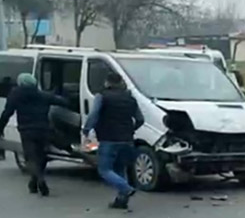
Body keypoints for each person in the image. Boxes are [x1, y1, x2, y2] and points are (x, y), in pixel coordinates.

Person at [0, 73, 71, 196]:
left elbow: (7, 113)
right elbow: (63, 102)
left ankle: (39, 179)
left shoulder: (15, 95)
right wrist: (64, 95)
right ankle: (34, 182)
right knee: (41, 156)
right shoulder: (42, 95)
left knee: (31, 158)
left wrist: (0, 128)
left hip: (26, 131)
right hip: (44, 130)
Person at [83, 72, 145, 210]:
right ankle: (121, 200)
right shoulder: (130, 98)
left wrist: (86, 129)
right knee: (120, 168)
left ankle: (126, 188)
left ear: (107, 82)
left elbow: (94, 114)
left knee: (104, 170)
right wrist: (131, 130)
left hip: (108, 138)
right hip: (127, 140)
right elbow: (140, 119)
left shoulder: (102, 96)